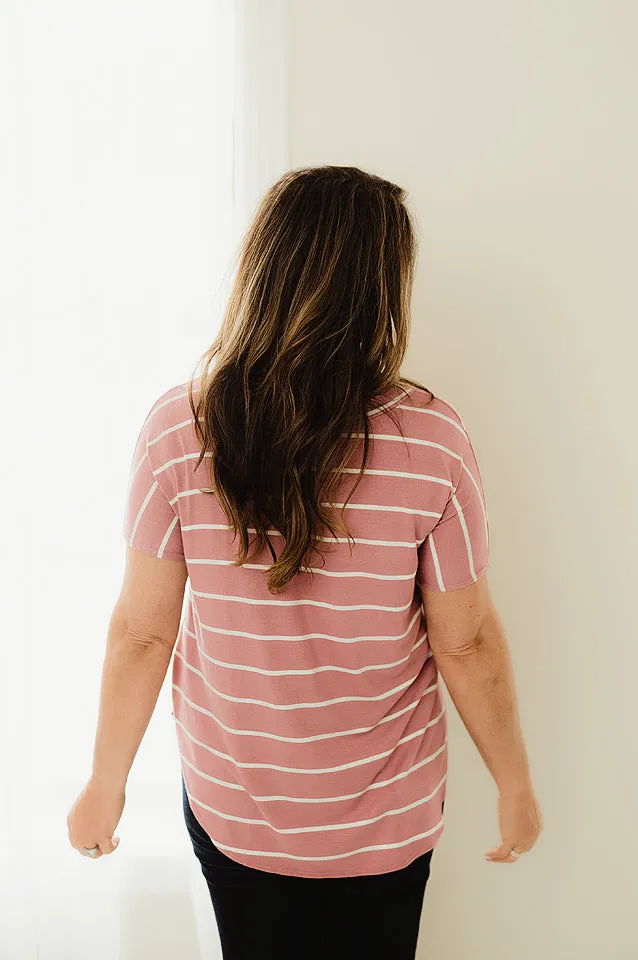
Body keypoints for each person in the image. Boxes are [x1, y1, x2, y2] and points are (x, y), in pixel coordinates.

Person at [66, 165, 542, 959]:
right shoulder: (434, 440)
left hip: (238, 813)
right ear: (379, 291)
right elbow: (466, 642)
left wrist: (104, 783)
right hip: (387, 824)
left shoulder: (177, 429)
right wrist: (516, 783)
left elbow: (142, 635)